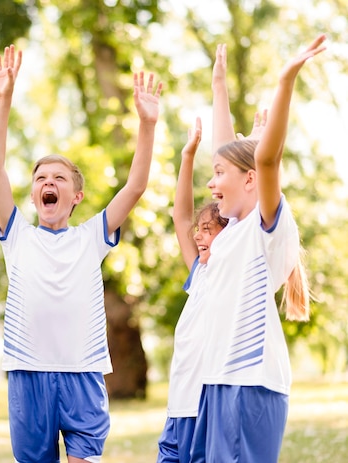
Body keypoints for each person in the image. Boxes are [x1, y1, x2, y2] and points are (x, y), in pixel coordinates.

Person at [0, 44, 162, 463]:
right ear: (34, 194)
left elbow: (135, 187)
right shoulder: (17, 235)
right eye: (41, 177)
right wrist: (3, 98)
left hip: (83, 375)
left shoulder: (91, 236)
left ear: (76, 195)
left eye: (59, 177)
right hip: (28, 377)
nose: (49, 182)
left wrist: (148, 124)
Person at [189, 35, 324, 462]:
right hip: (220, 381)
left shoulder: (262, 229)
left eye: (218, 175)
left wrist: (285, 81)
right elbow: (229, 155)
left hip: (248, 383)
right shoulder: (231, 228)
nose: (210, 184)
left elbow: (264, 160)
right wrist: (219, 88)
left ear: (250, 181)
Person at [157, 44, 267, 462]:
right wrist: (186, 158)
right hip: (178, 408)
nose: (200, 239)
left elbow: (231, 163)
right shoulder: (199, 273)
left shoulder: (232, 255)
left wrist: (220, 89)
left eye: (209, 231)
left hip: (210, 404)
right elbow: (179, 213)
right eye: (198, 234)